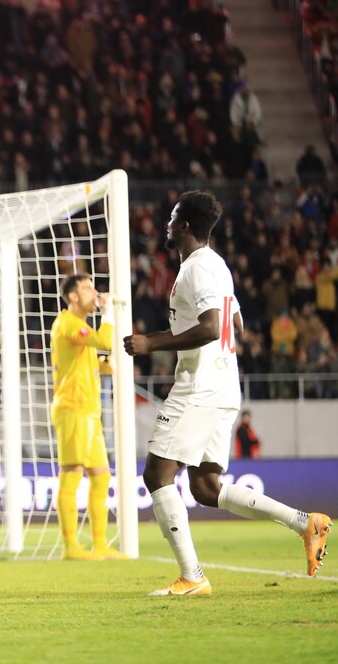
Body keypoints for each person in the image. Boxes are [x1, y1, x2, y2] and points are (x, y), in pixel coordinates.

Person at [123, 190, 332, 596]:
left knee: (157, 473)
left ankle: (192, 576)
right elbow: (234, 321)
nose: (166, 223)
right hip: (223, 383)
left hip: (200, 385)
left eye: (171, 217)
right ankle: (305, 523)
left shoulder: (196, 269)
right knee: (205, 486)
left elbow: (211, 324)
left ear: (184, 226)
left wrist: (151, 343)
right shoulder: (216, 265)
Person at [50, 274, 126, 561]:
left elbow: (80, 361)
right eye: (87, 288)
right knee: (72, 475)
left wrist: (103, 366)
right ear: (73, 296)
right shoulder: (68, 323)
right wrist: (109, 312)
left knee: (101, 475)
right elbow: (104, 339)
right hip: (72, 408)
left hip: (89, 411)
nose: (94, 292)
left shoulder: (77, 327)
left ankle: (100, 544)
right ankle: (70, 547)